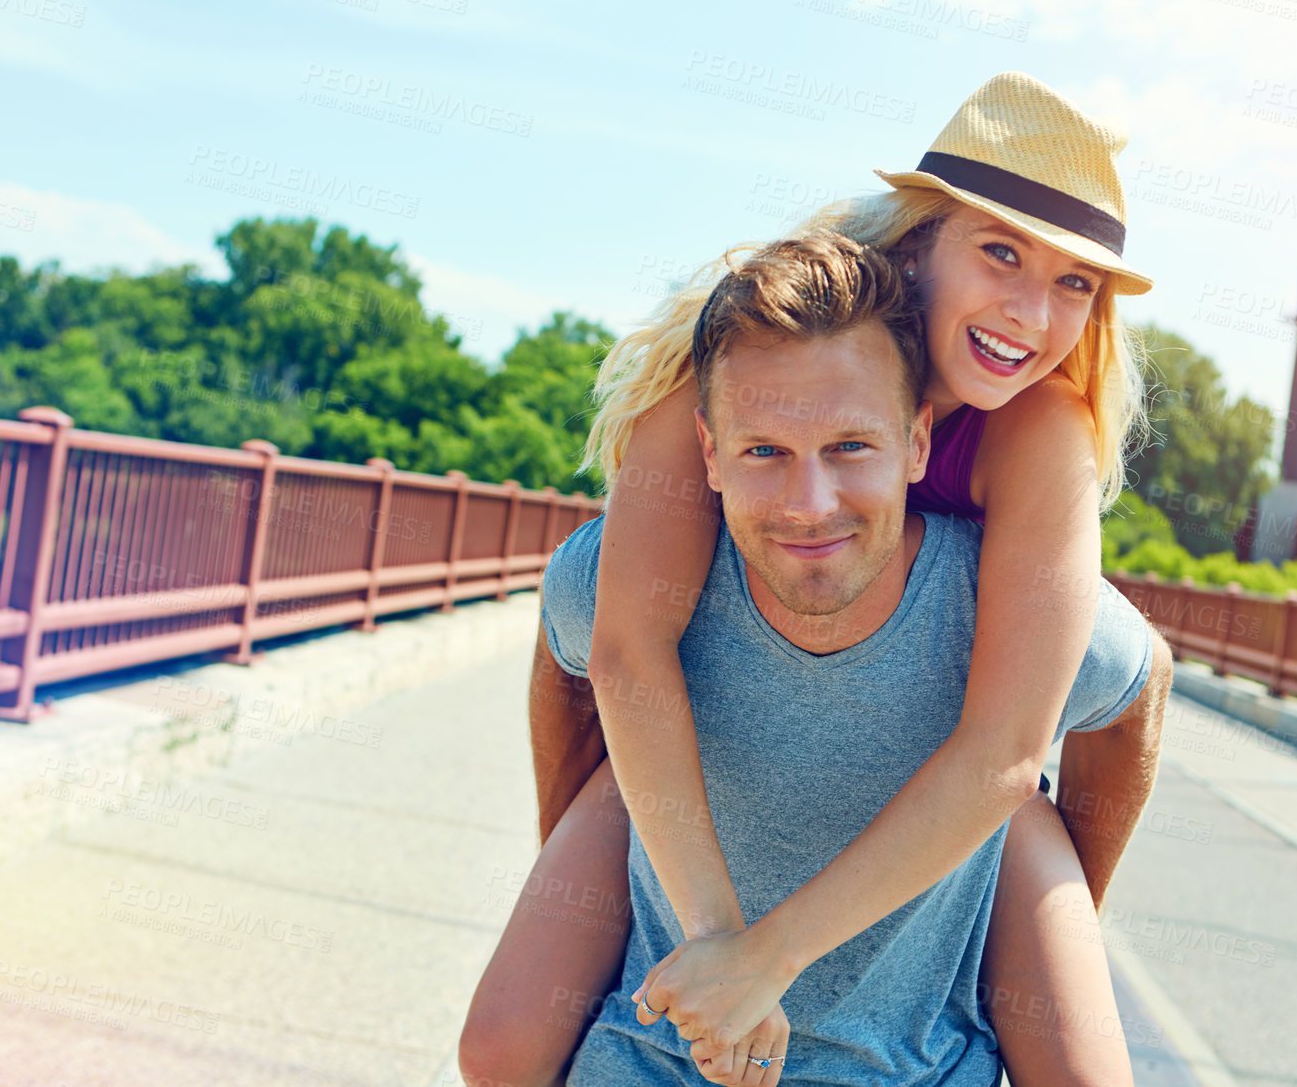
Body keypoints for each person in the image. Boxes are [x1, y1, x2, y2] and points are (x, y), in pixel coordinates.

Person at [461, 73, 1172, 1085]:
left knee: (1128, 666)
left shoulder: (1039, 428)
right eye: (1001, 252)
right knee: (498, 1042)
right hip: (711, 684)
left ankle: (992, 935)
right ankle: (613, 864)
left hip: (984, 728)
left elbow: (1010, 747)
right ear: (924, 238)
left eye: (1075, 283)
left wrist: (774, 955)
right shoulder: (754, 350)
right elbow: (618, 639)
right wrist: (704, 931)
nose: (1029, 310)